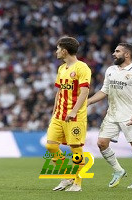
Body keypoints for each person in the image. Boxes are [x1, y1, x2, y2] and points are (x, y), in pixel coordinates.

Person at [88, 43, 132, 189]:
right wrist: (89, 101)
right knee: (101, 143)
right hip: (112, 114)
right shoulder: (110, 70)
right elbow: (105, 91)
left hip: (130, 115)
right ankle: (118, 170)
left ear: (127, 54)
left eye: (117, 51)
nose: (113, 54)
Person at [46, 36, 91, 192]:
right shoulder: (61, 68)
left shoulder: (82, 67)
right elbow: (59, 91)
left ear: (64, 51)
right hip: (59, 115)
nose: (56, 51)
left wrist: (73, 111)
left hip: (75, 116)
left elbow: (84, 91)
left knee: (75, 150)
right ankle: (66, 176)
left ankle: (77, 183)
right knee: (51, 145)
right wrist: (53, 112)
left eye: (58, 49)